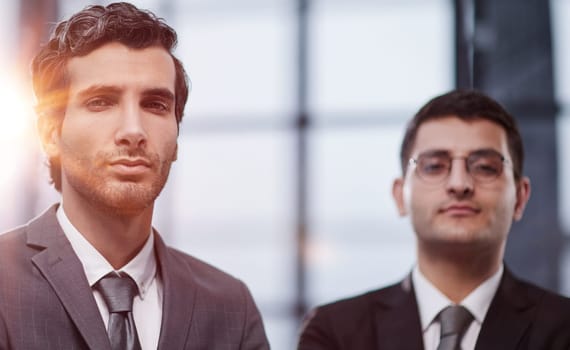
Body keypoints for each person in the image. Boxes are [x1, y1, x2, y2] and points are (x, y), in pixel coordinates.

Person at [0, 2, 269, 349]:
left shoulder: (231, 306)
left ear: (176, 136)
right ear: (51, 133)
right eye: (101, 101)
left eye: (155, 105)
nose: (133, 130)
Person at [297, 90, 570, 350]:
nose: (459, 183)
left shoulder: (563, 328)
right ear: (400, 195)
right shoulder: (334, 332)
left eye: (485, 167)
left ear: (520, 198)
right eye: (434, 166)